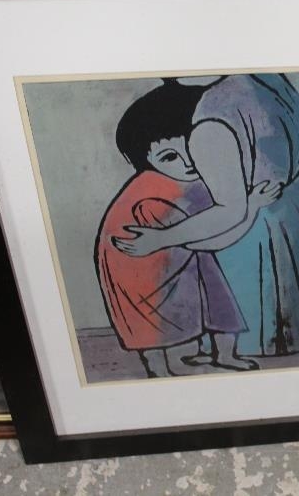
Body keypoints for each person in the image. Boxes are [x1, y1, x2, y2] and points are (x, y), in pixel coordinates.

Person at [114, 74, 299, 357]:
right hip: (298, 211)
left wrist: (162, 238)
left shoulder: (210, 117)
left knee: (252, 329)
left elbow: (230, 211)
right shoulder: (267, 80)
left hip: (251, 232)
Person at [98, 81, 279, 378]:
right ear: (147, 162)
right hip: (141, 266)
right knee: (153, 319)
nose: (188, 162)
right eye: (170, 157)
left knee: (217, 296)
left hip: (177, 253)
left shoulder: (191, 182)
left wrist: (247, 205)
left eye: (193, 150)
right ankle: (159, 369)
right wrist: (253, 206)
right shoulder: (158, 193)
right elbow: (213, 239)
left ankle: (223, 354)